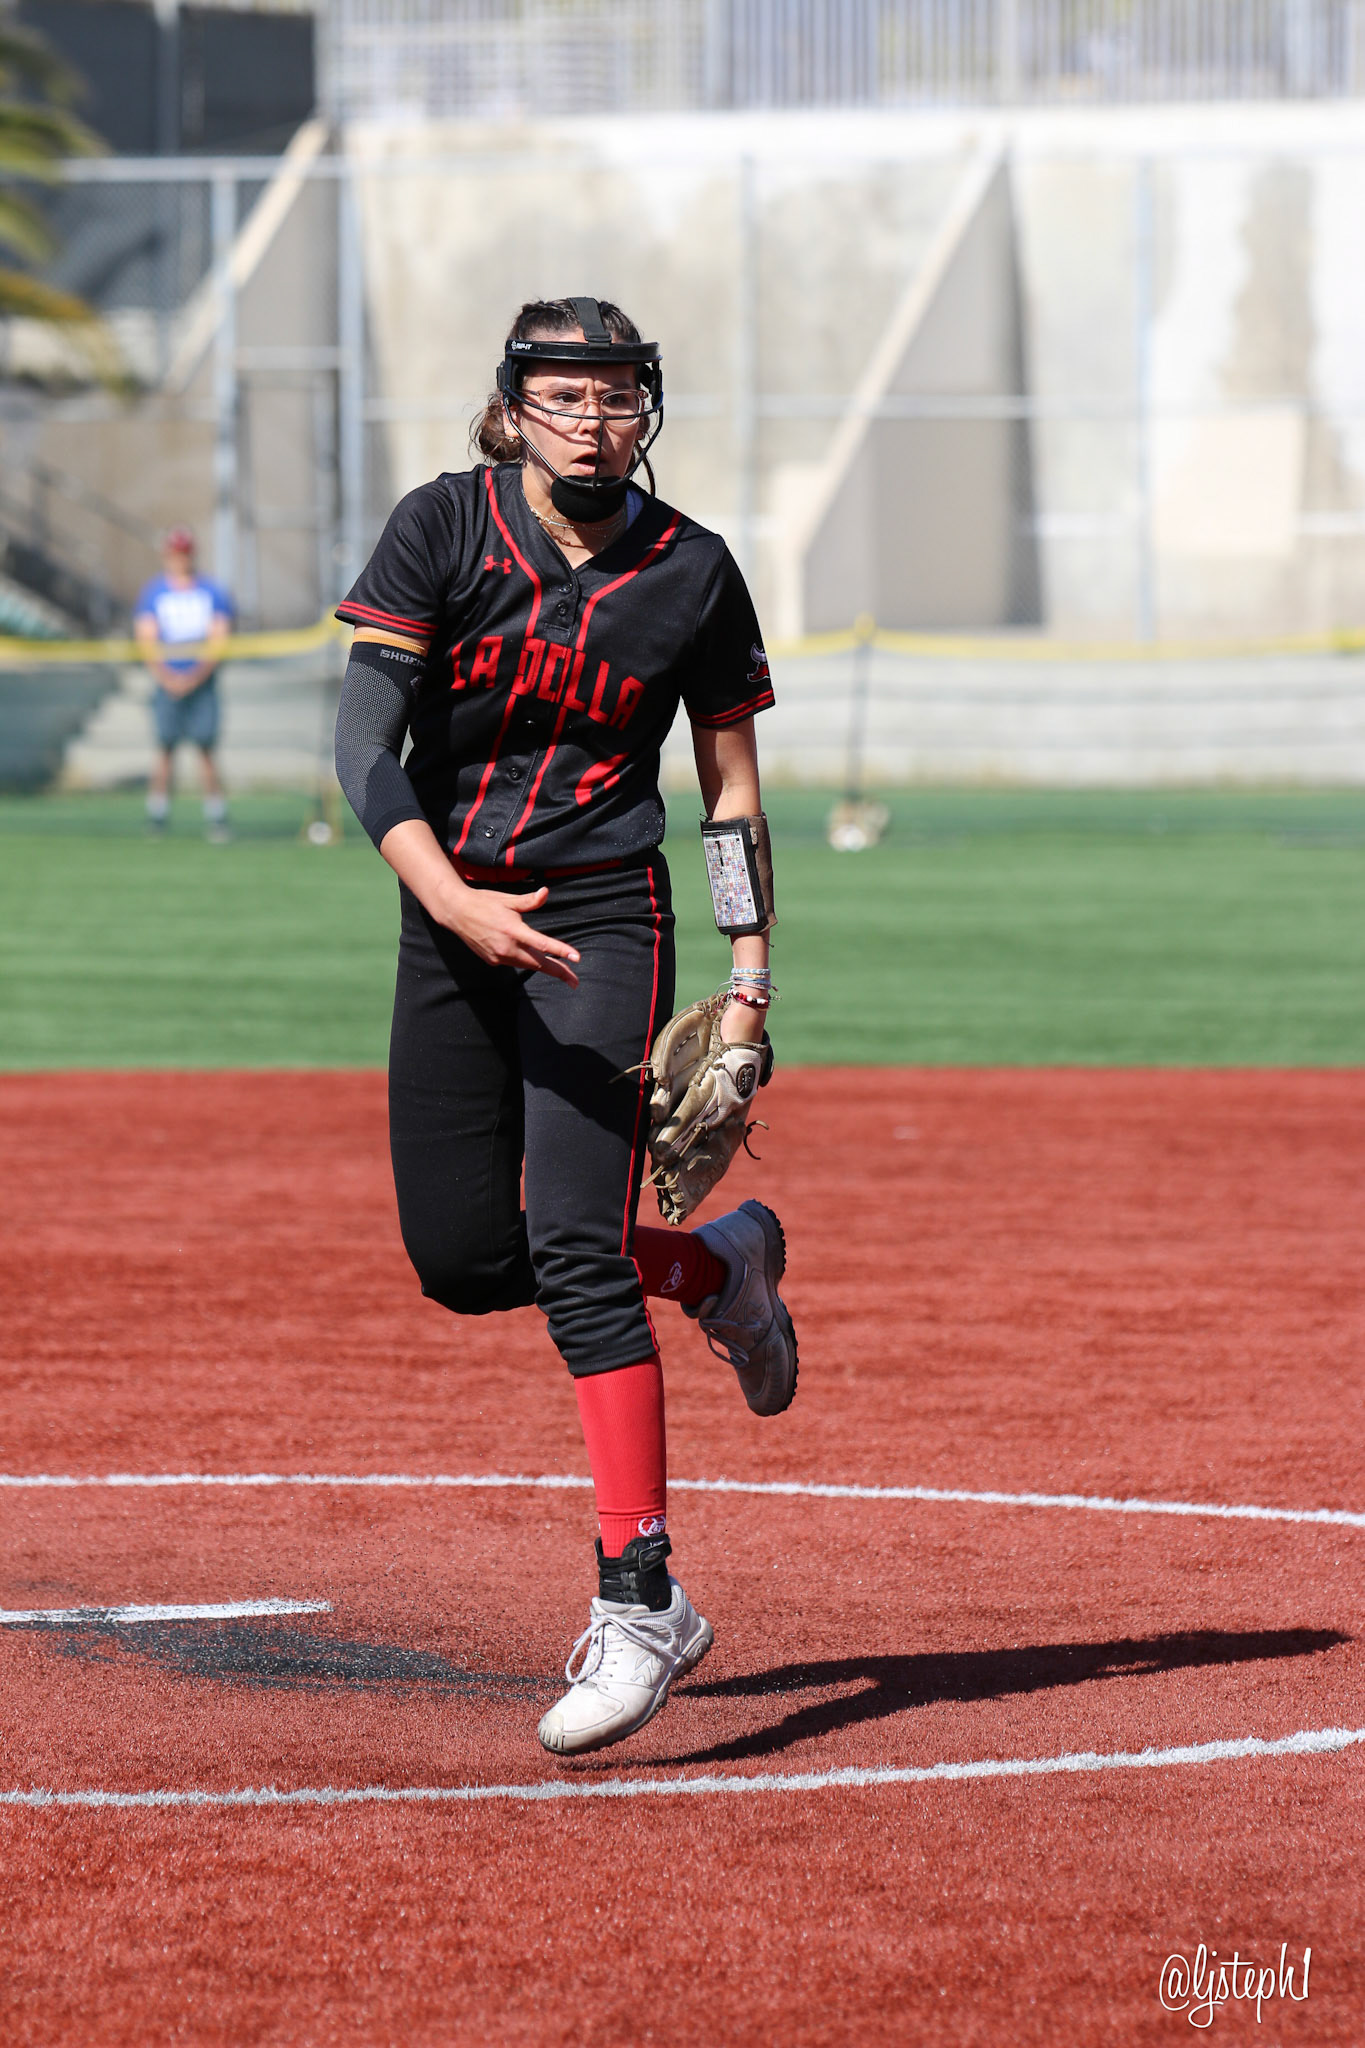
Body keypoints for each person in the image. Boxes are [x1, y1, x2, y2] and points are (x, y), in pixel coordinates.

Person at [333, 296, 796, 1757]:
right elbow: (362, 744)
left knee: (578, 1254)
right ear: (513, 408)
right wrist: (452, 903)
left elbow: (729, 786)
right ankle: (717, 1266)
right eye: (565, 395)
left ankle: (641, 1597)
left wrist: (752, 975)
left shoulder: (693, 570)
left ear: (646, 408)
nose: (594, 421)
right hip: (449, 909)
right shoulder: (442, 527)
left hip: (601, 919)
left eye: (617, 396)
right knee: (469, 1261)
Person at [134, 527, 234, 841]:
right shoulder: (154, 592)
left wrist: (193, 676)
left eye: (184, 554)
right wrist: (167, 677)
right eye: (175, 554)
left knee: (206, 749)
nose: (180, 560)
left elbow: (219, 638)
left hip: (201, 684)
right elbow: (146, 639)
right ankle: (157, 815)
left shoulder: (211, 591)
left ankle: (217, 817)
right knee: (165, 749)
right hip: (166, 685)